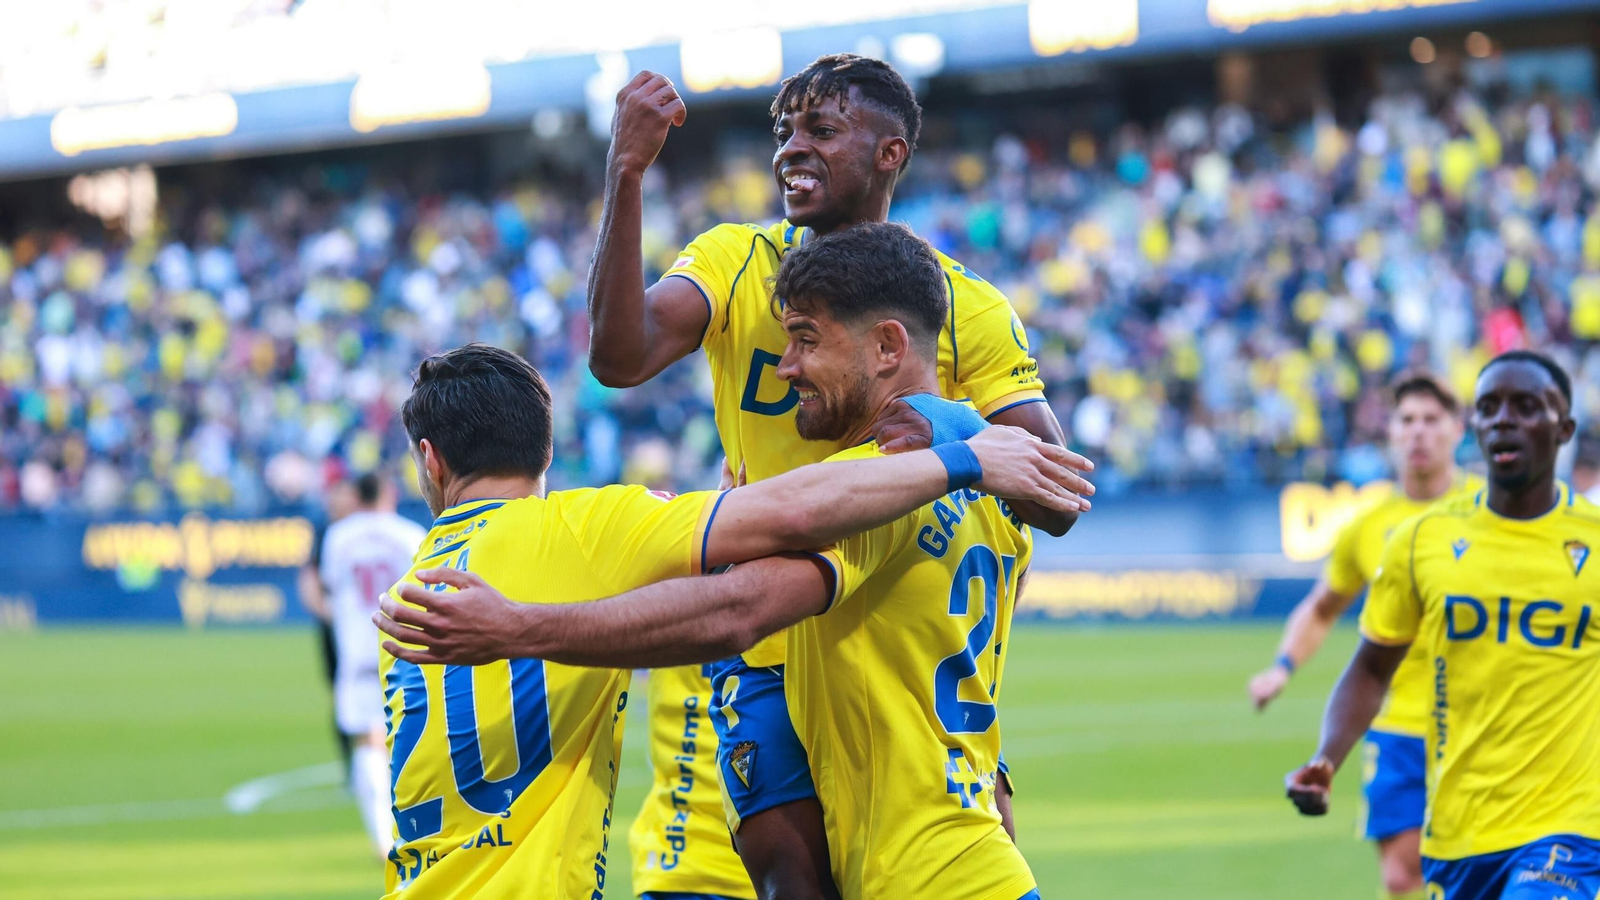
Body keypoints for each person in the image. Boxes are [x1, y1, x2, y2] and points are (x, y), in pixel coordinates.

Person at [381, 225, 1052, 900]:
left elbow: (739, 609)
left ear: (886, 347)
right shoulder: (1001, 484)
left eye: (805, 340)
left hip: (916, 875)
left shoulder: (877, 491)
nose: (784, 367)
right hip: (979, 854)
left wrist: (518, 629)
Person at [589, 53, 1075, 899]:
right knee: (793, 879)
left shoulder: (960, 306)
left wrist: (949, 427)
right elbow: (619, 357)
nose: (790, 151)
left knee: (930, 853)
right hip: (770, 629)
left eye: (821, 130)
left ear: (891, 153)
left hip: (883, 643)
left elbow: (1055, 493)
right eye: (783, 133)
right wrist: (626, 173)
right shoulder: (737, 260)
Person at [1286, 350, 1600, 900]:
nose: (1504, 418)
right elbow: (1371, 666)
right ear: (1475, 426)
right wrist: (1327, 755)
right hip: (1459, 833)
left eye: (1527, 406)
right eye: (1490, 407)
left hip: (1570, 827)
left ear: (1564, 427)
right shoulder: (1420, 542)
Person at [1248, 372, 1479, 899]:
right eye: (1406, 421)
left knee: (1467, 870)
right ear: (1391, 434)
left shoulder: (1487, 511)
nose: (1418, 432)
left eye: (1430, 420)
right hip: (1396, 726)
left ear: (1457, 430)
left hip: (1477, 723)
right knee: (1401, 876)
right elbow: (1323, 608)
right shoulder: (1370, 526)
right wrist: (1281, 668)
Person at [318, 472, 427, 856]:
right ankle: (421, 828)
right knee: (414, 742)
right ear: (389, 491)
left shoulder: (338, 537)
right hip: (407, 650)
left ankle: (383, 839)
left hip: (358, 652)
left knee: (367, 742)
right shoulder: (410, 534)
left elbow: (331, 587)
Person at [299, 480, 359, 776]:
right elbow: (310, 576)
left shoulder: (361, 531)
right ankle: (352, 763)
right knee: (340, 691)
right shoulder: (326, 531)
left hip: (366, 625)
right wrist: (327, 613)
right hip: (336, 627)